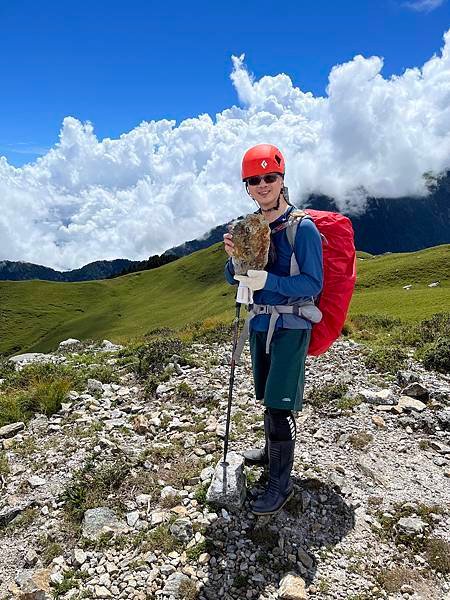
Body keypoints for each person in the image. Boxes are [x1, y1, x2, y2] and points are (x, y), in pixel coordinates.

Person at [223, 144, 323, 516]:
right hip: (260, 322)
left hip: (291, 324)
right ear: (246, 186)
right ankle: (270, 452)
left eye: (270, 177)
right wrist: (234, 259)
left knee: (280, 405)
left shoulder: (304, 229)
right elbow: (233, 277)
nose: (263, 185)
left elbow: (313, 283)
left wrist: (270, 280)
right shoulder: (249, 226)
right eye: (254, 179)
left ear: (282, 179)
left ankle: (280, 484)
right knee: (266, 395)